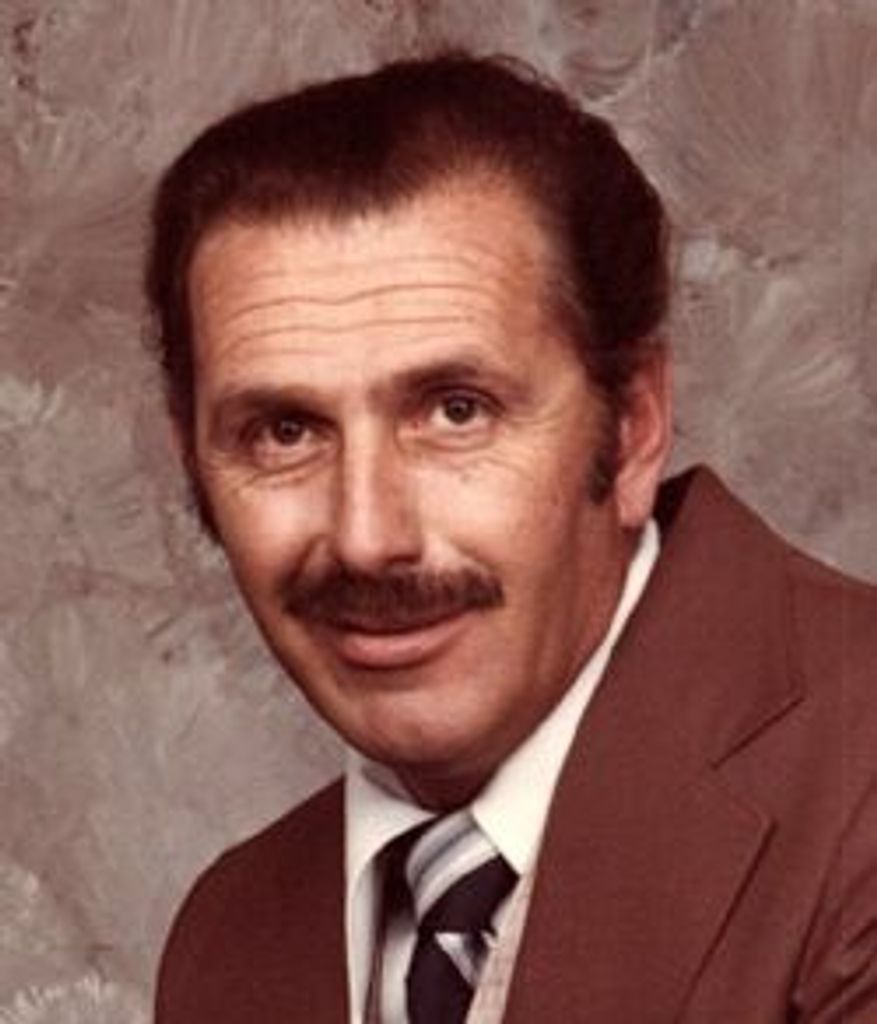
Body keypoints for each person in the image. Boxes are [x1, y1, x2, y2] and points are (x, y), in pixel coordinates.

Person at [147, 53, 877, 1023]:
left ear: (631, 429)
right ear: (192, 461)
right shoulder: (226, 939)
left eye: (456, 411)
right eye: (285, 432)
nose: (366, 537)